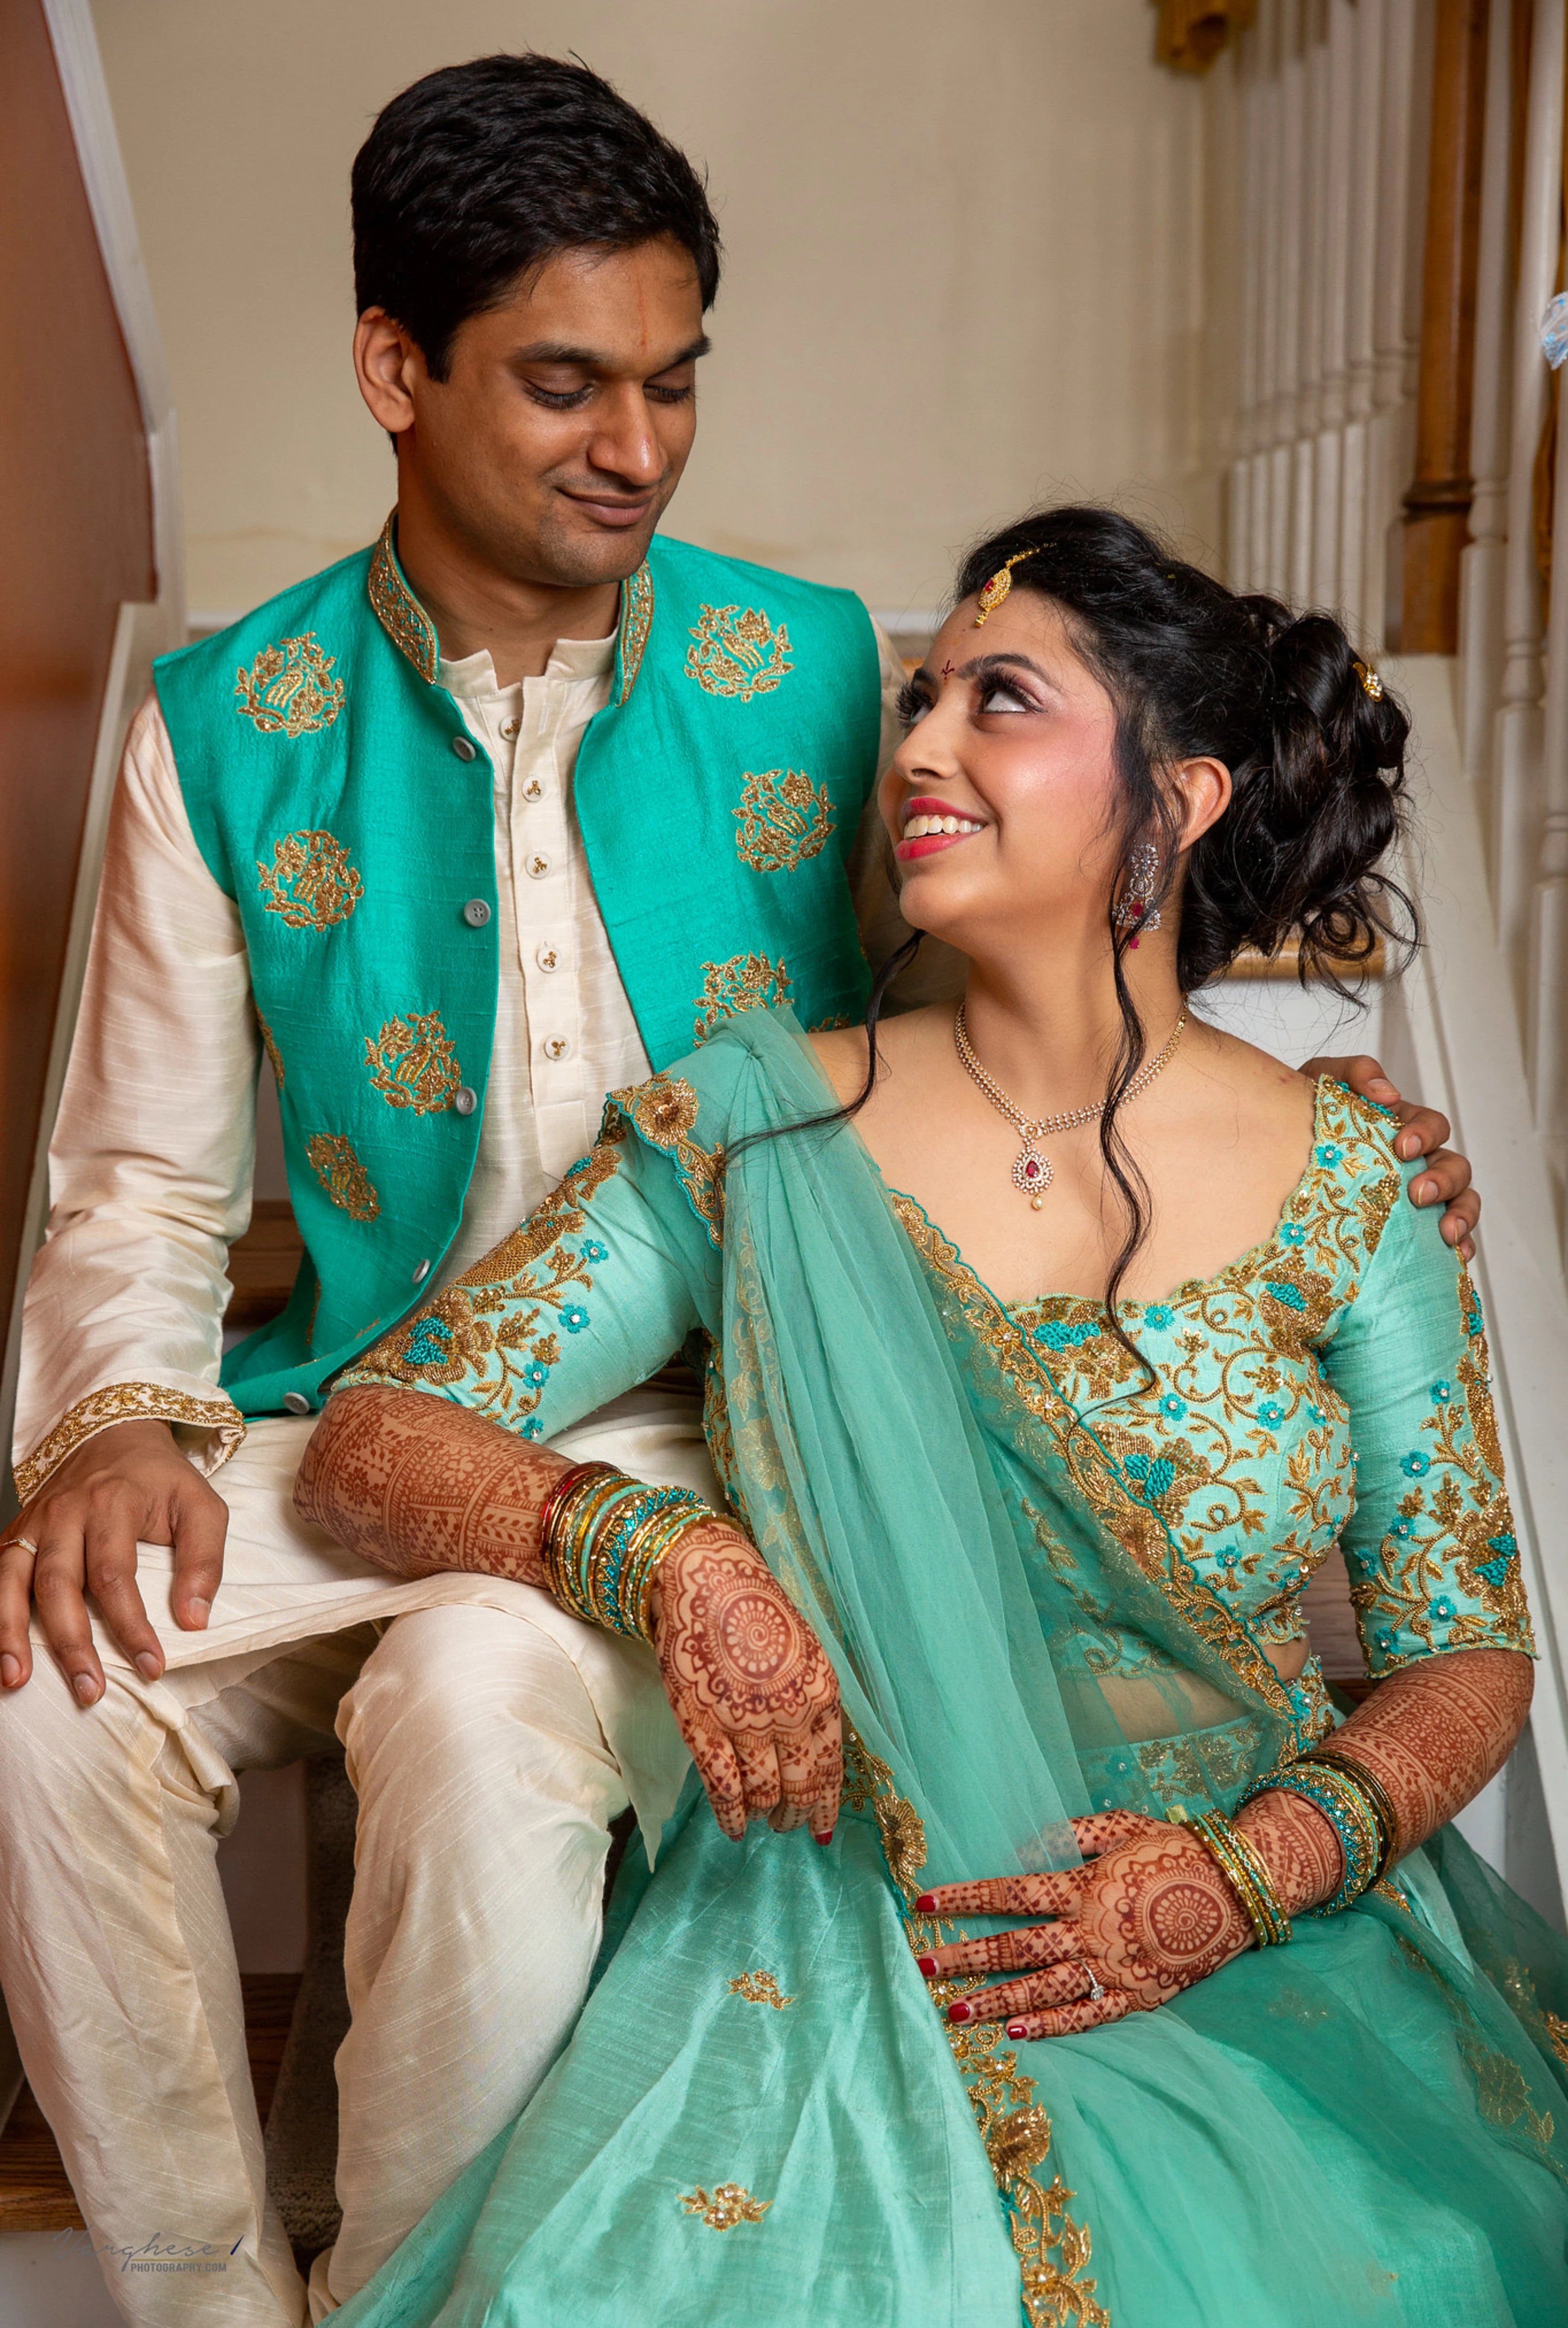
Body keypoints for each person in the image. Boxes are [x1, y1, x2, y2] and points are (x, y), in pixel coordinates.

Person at [0, 50, 1469, 2328]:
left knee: (484, 1706)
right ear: (397, 368)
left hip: (729, 1413)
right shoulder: (226, 723)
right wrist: (107, 1418)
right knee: (33, 1687)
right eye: (569, 386)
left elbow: (1035, 990)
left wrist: (1317, 1102)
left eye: (674, 384)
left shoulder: (811, 678)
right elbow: (135, 1183)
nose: (639, 450)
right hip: (368, 1405)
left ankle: (415, 2286)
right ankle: (200, 2298)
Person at [299, 509, 1567, 2328]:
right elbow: (379, 1428)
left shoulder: (1356, 1179)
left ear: (1180, 796)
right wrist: (670, 1559)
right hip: (859, 1925)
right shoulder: (757, 1127)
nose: (915, 749)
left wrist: (1251, 1871)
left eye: (1001, 700)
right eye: (917, 700)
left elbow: (1468, 1654)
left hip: (1252, 1917)